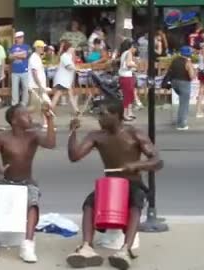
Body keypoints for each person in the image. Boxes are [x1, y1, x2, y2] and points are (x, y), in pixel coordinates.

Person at [66, 99, 163, 269]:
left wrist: (136, 165)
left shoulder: (135, 134)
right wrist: (73, 132)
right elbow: (74, 156)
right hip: (110, 185)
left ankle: (125, 250)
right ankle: (87, 247)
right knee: (89, 204)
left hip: (133, 183)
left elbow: (157, 161)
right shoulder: (96, 136)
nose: (99, 118)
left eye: (103, 114)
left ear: (116, 115)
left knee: (135, 203)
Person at [0, 103, 56, 263]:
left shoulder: (33, 135)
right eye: (25, 115)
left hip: (27, 182)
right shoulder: (3, 138)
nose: (30, 117)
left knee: (33, 205)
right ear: (14, 121)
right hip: (5, 181)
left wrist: (49, 119)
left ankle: (28, 243)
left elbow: (51, 144)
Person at [169, 46, 196, 130]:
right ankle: (181, 124)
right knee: (184, 104)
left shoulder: (174, 60)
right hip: (184, 83)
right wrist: (195, 71)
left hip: (174, 82)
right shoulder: (188, 62)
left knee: (182, 102)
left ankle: (179, 120)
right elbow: (191, 76)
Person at [53, 41, 79, 115]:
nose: (73, 48)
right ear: (68, 48)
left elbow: (73, 62)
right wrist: (76, 69)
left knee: (71, 94)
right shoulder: (64, 56)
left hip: (67, 80)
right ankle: (51, 109)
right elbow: (68, 66)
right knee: (58, 94)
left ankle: (76, 110)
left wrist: (73, 55)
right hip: (62, 80)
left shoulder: (69, 56)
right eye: (71, 47)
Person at [118, 39, 138, 121]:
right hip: (127, 77)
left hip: (123, 76)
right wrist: (135, 65)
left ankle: (128, 112)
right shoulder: (129, 53)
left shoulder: (123, 53)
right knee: (127, 96)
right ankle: (125, 114)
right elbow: (128, 64)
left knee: (129, 95)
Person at [9, 31, 30, 106]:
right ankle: (15, 104)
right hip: (15, 71)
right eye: (19, 37)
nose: (21, 39)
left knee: (25, 87)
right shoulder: (12, 47)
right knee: (15, 89)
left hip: (24, 70)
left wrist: (15, 55)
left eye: (22, 37)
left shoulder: (26, 46)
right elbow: (10, 57)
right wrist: (20, 54)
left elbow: (25, 56)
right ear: (16, 38)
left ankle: (24, 103)